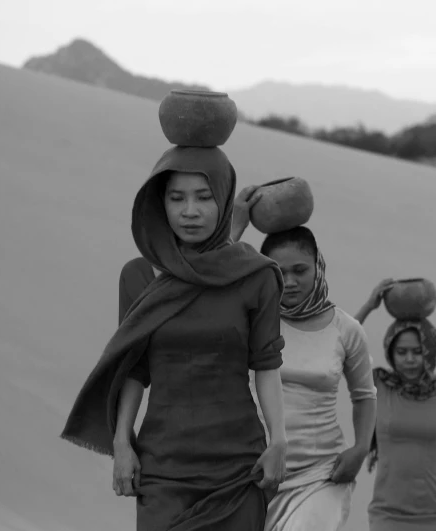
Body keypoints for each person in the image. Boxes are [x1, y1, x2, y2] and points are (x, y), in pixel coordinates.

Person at [61, 146, 288, 531]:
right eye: (176, 198)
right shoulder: (140, 276)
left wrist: (279, 440)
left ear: (225, 201)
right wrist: (121, 443)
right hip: (163, 465)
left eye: (204, 197)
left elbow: (267, 366)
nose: (190, 211)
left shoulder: (255, 275)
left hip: (237, 466)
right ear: (159, 202)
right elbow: (134, 369)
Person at [232, 208, 378, 531]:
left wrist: (361, 447)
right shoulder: (251, 321)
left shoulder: (347, 329)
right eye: (280, 272)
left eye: (300, 269)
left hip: (321, 474)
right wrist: (237, 225)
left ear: (318, 266)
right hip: (254, 471)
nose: (292, 281)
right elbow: (206, 288)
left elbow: (365, 395)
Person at [356, 281, 436, 531]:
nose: (409, 359)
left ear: (430, 352)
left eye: (417, 352)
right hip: (386, 513)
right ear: (390, 353)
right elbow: (342, 347)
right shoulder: (378, 385)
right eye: (402, 352)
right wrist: (369, 306)